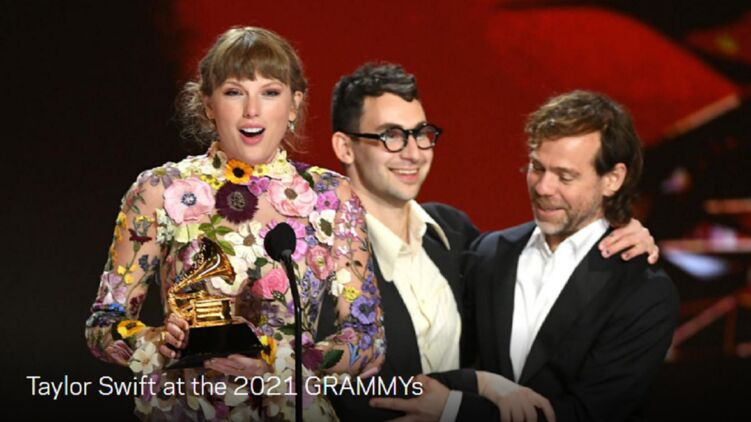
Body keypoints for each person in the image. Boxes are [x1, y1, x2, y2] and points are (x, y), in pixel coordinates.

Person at [317, 63, 661, 421]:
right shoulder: (318, 257)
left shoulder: (453, 234)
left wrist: (617, 227)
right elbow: (331, 385)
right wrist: (477, 385)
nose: (414, 152)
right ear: (345, 147)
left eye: (421, 133)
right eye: (391, 135)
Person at [85, 26, 384, 421]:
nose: (252, 111)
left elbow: (368, 338)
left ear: (294, 105)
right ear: (208, 104)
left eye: (270, 92)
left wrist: (281, 361)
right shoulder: (159, 190)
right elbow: (103, 324)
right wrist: (155, 341)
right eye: (234, 92)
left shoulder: (333, 197)